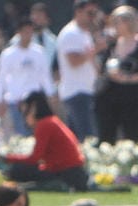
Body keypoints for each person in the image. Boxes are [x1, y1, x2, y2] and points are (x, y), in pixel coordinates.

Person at [1, 93, 88, 190]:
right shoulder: (52, 121)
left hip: (65, 172)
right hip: (73, 171)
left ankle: (55, 184)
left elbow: (35, 159)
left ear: (33, 108)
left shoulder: (44, 124)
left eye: (26, 111)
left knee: (17, 170)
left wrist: (7, 158)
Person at [95, 6, 138, 144]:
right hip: (110, 98)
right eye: (114, 22)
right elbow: (103, 68)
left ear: (129, 22)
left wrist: (125, 78)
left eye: (118, 22)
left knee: (132, 137)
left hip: (133, 100)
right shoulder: (112, 45)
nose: (115, 26)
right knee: (106, 137)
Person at [0, 20, 53, 138]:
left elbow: (45, 75)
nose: (28, 35)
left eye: (30, 32)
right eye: (25, 32)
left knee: (36, 133)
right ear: (19, 33)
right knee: (20, 133)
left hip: (34, 101)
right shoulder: (8, 54)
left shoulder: (39, 52)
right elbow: (1, 77)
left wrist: (50, 93)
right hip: (16, 100)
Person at [56, 0, 101, 139]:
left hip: (87, 89)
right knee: (88, 136)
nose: (93, 17)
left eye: (95, 13)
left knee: (75, 137)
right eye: (90, 13)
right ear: (78, 12)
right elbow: (73, 61)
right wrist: (96, 49)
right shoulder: (71, 33)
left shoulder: (85, 33)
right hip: (77, 91)